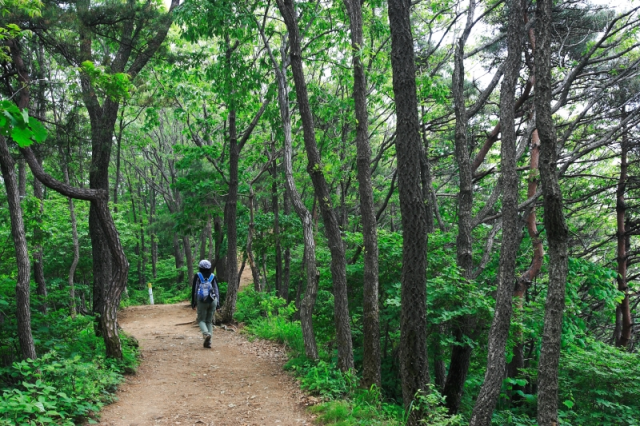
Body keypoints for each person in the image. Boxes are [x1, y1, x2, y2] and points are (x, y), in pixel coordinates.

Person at [191, 259, 220, 348]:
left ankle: (206, 334)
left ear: (200, 267)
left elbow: (195, 290)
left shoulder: (198, 276)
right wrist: (218, 304)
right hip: (213, 300)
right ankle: (209, 342)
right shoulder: (213, 276)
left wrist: (193, 302)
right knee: (209, 321)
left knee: (201, 320)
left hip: (202, 301)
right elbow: (216, 290)